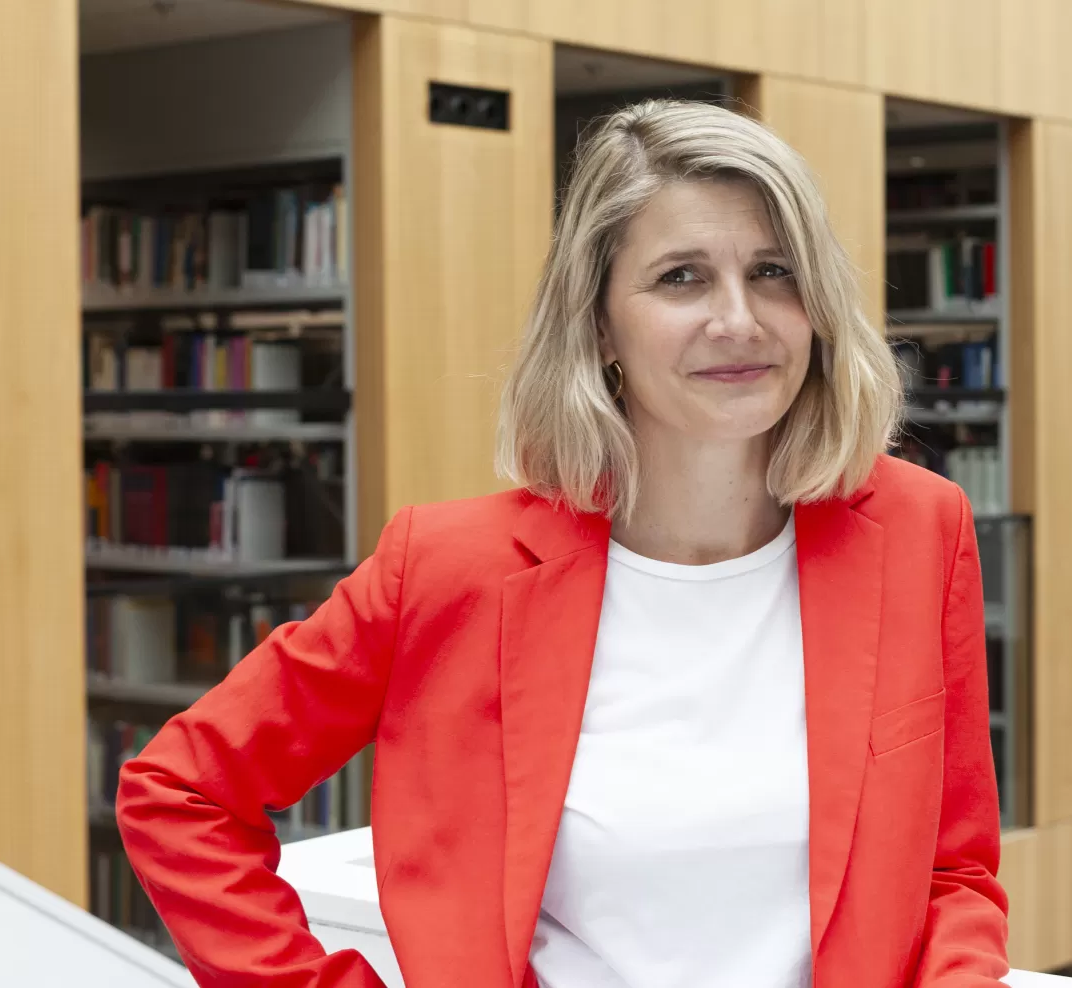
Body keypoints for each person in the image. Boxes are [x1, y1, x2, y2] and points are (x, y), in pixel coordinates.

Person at [116, 98, 1009, 988]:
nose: (740, 320)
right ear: (598, 325)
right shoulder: (446, 568)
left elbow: (952, 874)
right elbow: (182, 795)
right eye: (681, 278)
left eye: (774, 271)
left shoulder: (918, 531)